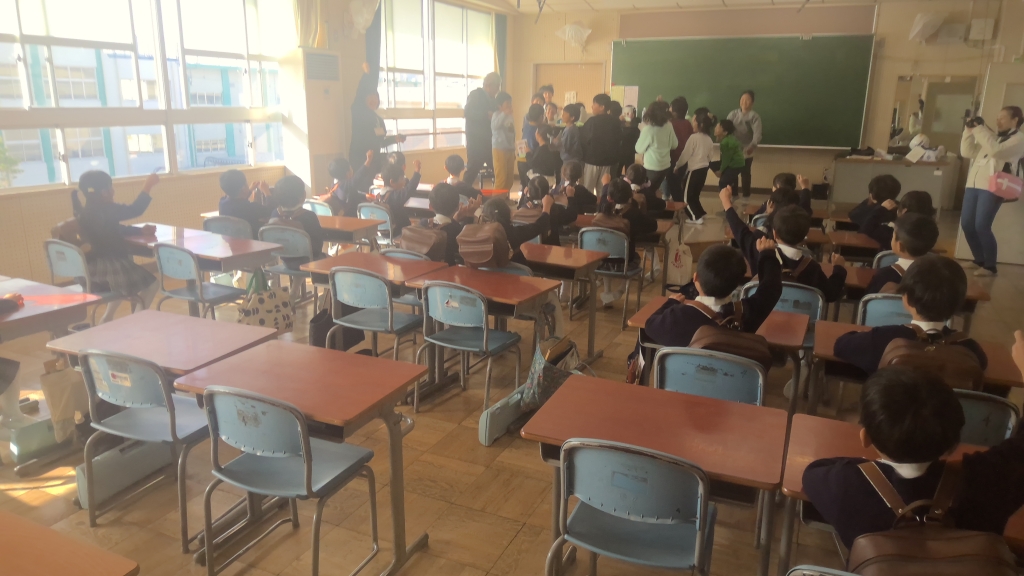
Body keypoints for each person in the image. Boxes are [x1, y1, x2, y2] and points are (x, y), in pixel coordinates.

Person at [803, 364, 1024, 550]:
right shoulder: (988, 479)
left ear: (865, 437)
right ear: (953, 443)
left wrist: (867, 468)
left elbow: (813, 472)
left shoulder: (845, 484)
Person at [834, 254, 987, 375]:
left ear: (906, 299)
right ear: (959, 304)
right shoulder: (970, 350)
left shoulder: (883, 338)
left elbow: (840, 345)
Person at [643, 240, 783, 347]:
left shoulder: (675, 317)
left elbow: (650, 325)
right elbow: (771, 288)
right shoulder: (747, 312)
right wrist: (767, 255)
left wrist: (671, 303)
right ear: (737, 285)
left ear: (695, 278)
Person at [72, 170, 160, 323]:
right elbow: (136, 209)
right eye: (110, 187)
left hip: (90, 270)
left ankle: (107, 318)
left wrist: (140, 231)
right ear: (104, 192)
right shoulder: (107, 209)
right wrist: (148, 185)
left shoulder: (86, 211)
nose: (113, 191)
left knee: (121, 284)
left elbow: (113, 229)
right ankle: (137, 322)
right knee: (152, 284)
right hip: (109, 268)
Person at [960, 105, 1024, 277]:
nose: (997, 121)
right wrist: (968, 131)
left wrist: (980, 129)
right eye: (997, 117)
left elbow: (996, 150)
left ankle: (990, 265)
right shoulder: (993, 138)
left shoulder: (1019, 139)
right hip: (973, 184)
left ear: (1015, 120)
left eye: (1002, 117)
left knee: (982, 225)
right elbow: (967, 151)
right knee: (967, 224)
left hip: (993, 187)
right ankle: (978, 259)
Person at [594, 179, 658, 307]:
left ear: (609, 198)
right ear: (630, 196)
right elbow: (653, 226)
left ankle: (607, 293)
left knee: (607, 253)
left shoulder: (602, 213)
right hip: (626, 264)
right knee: (635, 257)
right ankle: (621, 289)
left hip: (601, 263)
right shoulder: (634, 214)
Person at [865, 213, 940, 295]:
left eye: (893, 236)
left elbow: (869, 301)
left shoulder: (884, 276)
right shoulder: (940, 275)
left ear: (899, 246)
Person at [350, 62, 405, 172]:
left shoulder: (378, 119)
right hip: (360, 159)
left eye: (375, 97)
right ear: (364, 99)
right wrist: (366, 75)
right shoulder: (358, 112)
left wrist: (394, 139)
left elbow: (381, 143)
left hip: (375, 160)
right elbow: (360, 94)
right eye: (370, 97)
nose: (373, 100)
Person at [269, 175, 326, 267]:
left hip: (285, 262)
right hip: (309, 263)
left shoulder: (274, 214)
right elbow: (317, 248)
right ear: (303, 195)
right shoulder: (309, 216)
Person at [480, 196, 552, 264]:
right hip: (518, 272)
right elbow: (540, 225)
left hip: (488, 273)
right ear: (509, 214)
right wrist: (546, 206)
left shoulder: (480, 237)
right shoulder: (515, 233)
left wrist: (472, 212)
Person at [674, 112, 714, 223]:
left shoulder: (694, 137)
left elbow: (685, 154)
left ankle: (695, 217)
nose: (693, 123)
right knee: (695, 194)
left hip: (694, 170)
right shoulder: (709, 139)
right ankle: (701, 213)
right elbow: (710, 156)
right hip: (704, 169)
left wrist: (677, 166)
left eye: (694, 121)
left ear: (700, 124)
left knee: (686, 196)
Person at [464, 72, 501, 187]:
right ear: (489, 85)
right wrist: (486, 114)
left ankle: (500, 193)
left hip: (489, 141)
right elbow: (468, 112)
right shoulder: (476, 95)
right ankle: (462, 192)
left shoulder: (493, 99)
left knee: (498, 168)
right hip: (476, 141)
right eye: (497, 86)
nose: (498, 89)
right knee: (473, 169)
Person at [635, 100, 678, 195]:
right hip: (665, 166)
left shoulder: (648, 129)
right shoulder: (669, 125)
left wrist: (642, 130)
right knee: (653, 191)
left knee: (645, 193)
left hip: (651, 167)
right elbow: (674, 145)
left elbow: (638, 149)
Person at [580, 94, 622, 190]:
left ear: (602, 107)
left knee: (588, 189)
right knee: (604, 189)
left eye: (594, 104)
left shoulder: (592, 121)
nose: (592, 107)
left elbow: (583, 139)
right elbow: (619, 140)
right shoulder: (616, 122)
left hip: (592, 161)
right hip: (608, 162)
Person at [726, 90, 763, 198]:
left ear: (752, 103)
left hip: (747, 149)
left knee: (745, 173)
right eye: (742, 99)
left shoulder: (754, 116)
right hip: (733, 149)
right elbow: (726, 129)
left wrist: (752, 146)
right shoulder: (733, 114)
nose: (744, 102)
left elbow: (757, 134)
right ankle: (734, 195)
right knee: (732, 173)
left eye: (747, 100)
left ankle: (746, 196)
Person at [426, 183, 473, 266]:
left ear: (430, 206)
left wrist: (455, 219)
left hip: (424, 269)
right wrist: (471, 216)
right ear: (457, 207)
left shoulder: (423, 223)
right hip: (447, 271)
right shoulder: (457, 230)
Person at [319, 150, 377, 217]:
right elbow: (359, 176)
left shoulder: (335, 184)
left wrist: (364, 196)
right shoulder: (346, 185)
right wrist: (368, 160)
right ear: (348, 173)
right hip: (353, 219)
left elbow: (351, 194)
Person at [218, 169, 271, 239]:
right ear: (243, 189)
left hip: (232, 241)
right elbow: (270, 210)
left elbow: (237, 202)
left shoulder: (222, 202)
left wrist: (249, 190)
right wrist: (267, 192)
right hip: (253, 241)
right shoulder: (249, 208)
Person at [377, 161, 422, 237]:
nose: (404, 181)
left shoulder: (379, 196)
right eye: (402, 179)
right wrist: (417, 172)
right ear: (392, 182)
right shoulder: (395, 196)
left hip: (384, 233)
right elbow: (410, 189)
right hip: (399, 232)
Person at [849, 174, 901, 239]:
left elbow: (852, 215)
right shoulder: (899, 209)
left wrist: (871, 200)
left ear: (872, 195)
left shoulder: (867, 211)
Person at [666, 96, 694, 202]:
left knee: (674, 185)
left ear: (674, 110)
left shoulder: (670, 124)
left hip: (673, 159)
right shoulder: (688, 124)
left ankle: (680, 206)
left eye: (670, 107)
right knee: (677, 184)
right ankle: (679, 204)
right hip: (685, 160)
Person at [490, 91, 516, 191]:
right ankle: (496, 199)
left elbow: (512, 132)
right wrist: (504, 114)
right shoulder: (496, 114)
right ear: (499, 106)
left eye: (510, 103)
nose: (510, 106)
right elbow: (494, 126)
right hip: (499, 149)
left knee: (509, 179)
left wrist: (513, 148)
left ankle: (504, 198)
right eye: (507, 103)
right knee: (501, 178)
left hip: (510, 149)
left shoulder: (510, 116)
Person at [715, 119, 745, 195]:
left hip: (735, 164)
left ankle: (726, 198)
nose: (715, 129)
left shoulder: (725, 142)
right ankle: (733, 195)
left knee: (723, 182)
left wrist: (720, 171)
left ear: (725, 132)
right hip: (738, 164)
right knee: (728, 180)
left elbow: (726, 159)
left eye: (718, 128)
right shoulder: (729, 138)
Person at [616, 103, 640, 177]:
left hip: (630, 153)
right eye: (624, 113)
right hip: (619, 152)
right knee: (617, 171)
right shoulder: (618, 125)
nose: (626, 115)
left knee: (629, 172)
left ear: (633, 114)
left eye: (628, 113)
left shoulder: (636, 126)